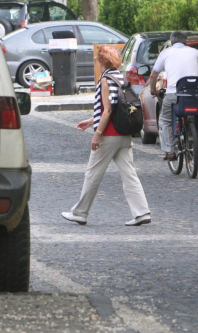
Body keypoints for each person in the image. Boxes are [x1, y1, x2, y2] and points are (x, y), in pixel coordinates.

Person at [62, 45, 151, 226]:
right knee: (129, 174)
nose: (97, 62)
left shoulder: (105, 80)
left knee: (93, 173)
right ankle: (142, 212)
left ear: (102, 61)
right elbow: (115, 108)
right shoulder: (119, 76)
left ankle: (80, 213)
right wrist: (91, 120)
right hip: (123, 135)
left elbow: (108, 110)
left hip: (109, 135)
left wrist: (97, 134)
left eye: (97, 59)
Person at [148, 31, 198, 161]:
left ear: (171, 41)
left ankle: (170, 151)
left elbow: (153, 75)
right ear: (186, 42)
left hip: (174, 93)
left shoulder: (165, 53)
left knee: (164, 120)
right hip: (193, 93)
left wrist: (153, 90)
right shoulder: (195, 52)